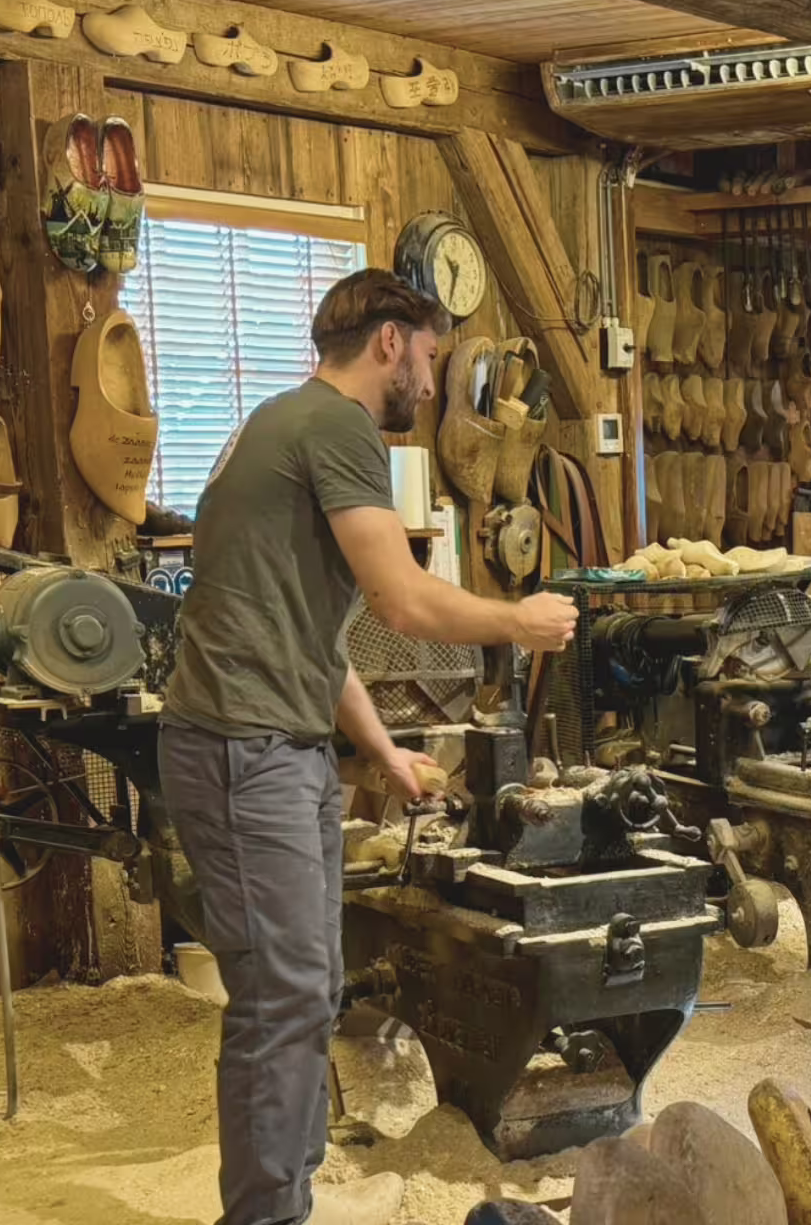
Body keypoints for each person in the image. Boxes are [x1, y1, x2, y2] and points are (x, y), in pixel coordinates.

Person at [158, 269, 578, 1225]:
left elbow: (311, 636)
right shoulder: (335, 427)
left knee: (308, 989)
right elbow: (403, 601)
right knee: (283, 998)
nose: (430, 385)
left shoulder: (277, 422)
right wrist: (519, 620)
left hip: (272, 743)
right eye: (428, 357)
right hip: (243, 750)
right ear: (389, 340)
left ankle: (288, 1194)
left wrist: (383, 754)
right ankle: (265, 1216)